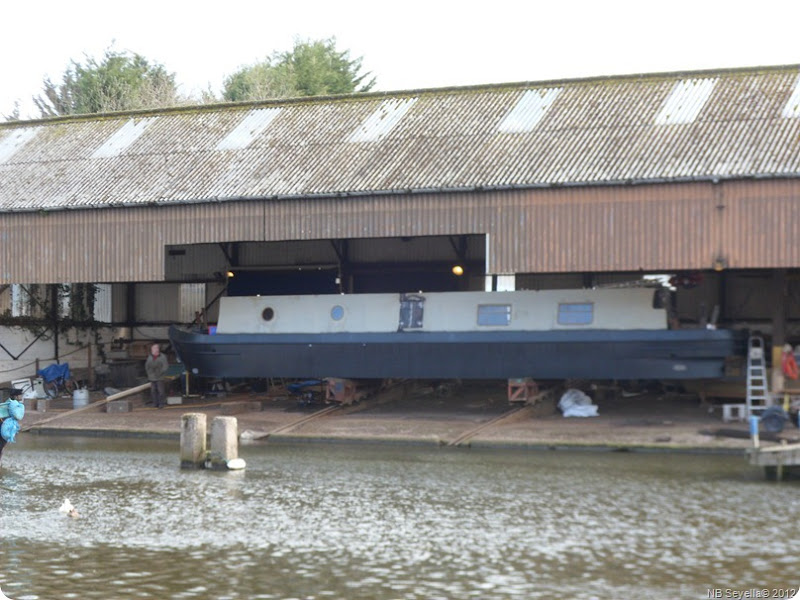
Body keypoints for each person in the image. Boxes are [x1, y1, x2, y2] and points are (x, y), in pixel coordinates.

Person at [145, 343, 169, 409]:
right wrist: (149, 374)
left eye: (156, 348)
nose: (154, 350)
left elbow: (165, 366)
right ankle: (155, 403)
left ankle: (161, 404)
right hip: (152, 377)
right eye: (153, 348)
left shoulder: (163, 357)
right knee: (153, 391)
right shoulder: (149, 357)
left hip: (160, 377)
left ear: (158, 349)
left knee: (161, 391)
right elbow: (147, 366)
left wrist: (160, 373)